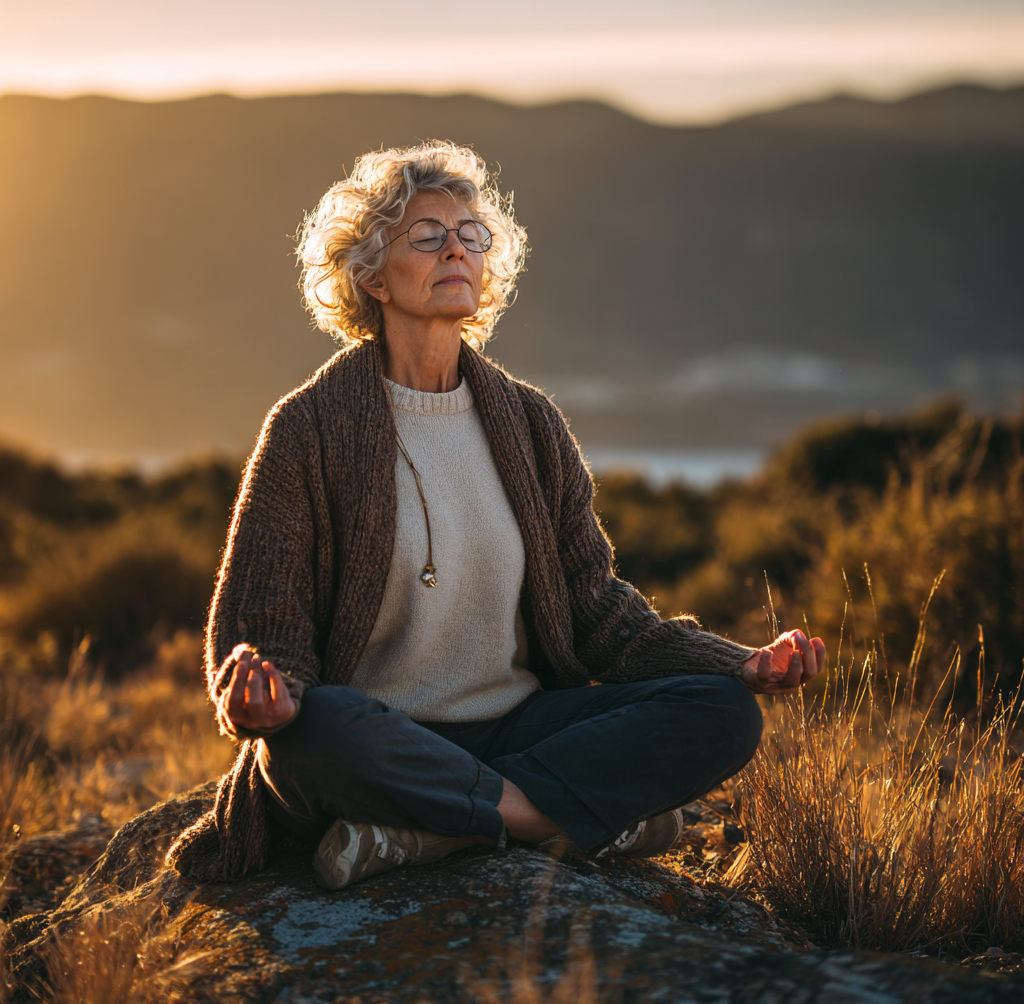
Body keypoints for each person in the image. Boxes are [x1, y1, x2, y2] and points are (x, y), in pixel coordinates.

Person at [167, 142, 826, 889]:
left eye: (470, 234)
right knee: (310, 733)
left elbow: (597, 612)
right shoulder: (307, 429)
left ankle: (438, 831)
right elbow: (263, 625)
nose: (456, 247)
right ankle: (554, 821)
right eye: (426, 234)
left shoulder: (530, 423)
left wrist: (736, 662)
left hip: (518, 732)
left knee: (721, 711)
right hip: (382, 739)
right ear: (372, 275)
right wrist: (265, 697)